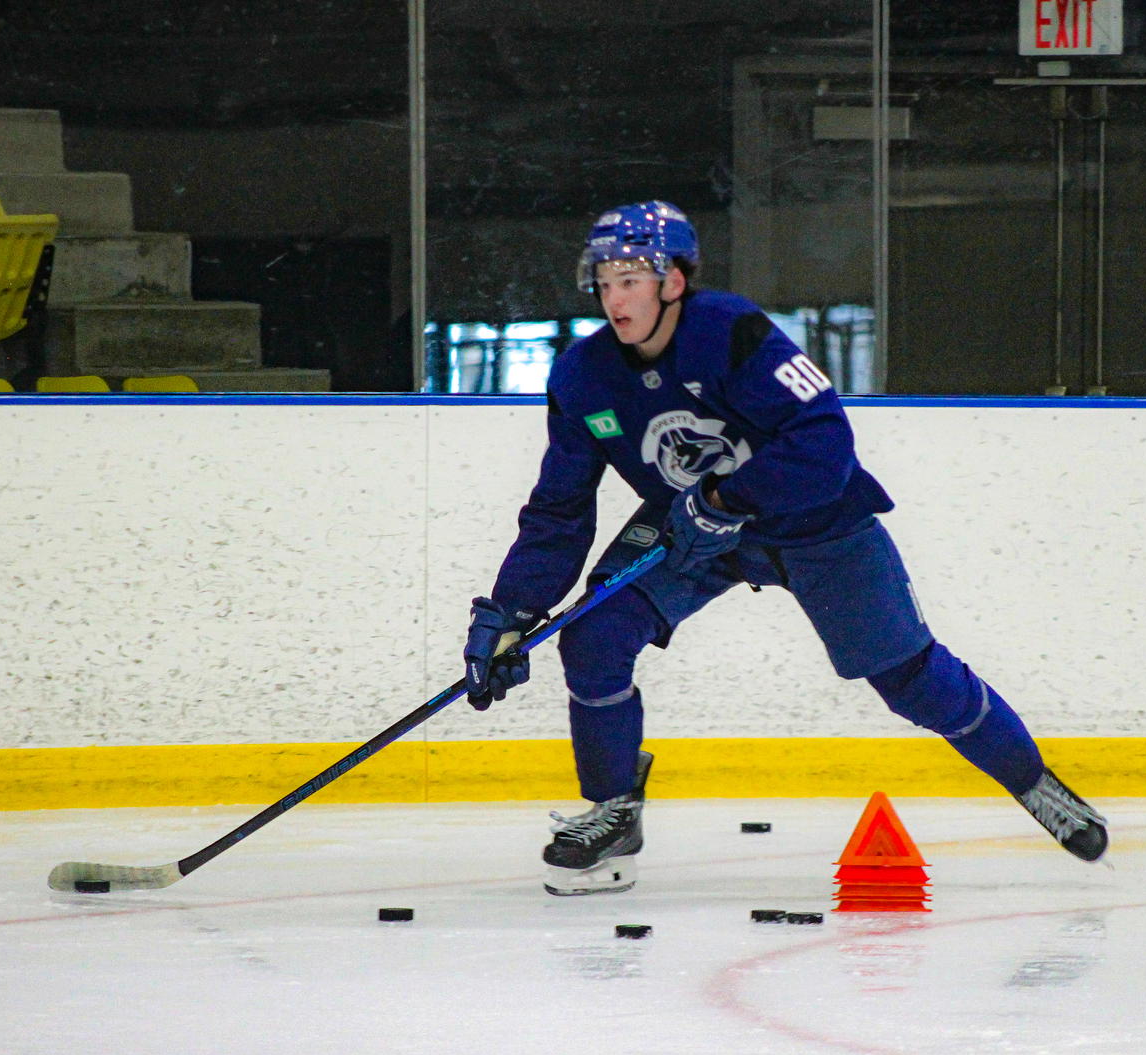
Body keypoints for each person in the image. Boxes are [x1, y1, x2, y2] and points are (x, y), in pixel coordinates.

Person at [464, 200, 1108, 896]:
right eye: (605, 281)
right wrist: (512, 612)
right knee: (593, 634)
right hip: (694, 528)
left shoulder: (733, 333)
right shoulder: (583, 378)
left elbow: (825, 441)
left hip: (815, 521)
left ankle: (1035, 784)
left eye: (631, 279)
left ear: (674, 281)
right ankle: (614, 812)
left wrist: (729, 500)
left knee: (909, 678)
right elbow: (560, 510)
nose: (614, 297)